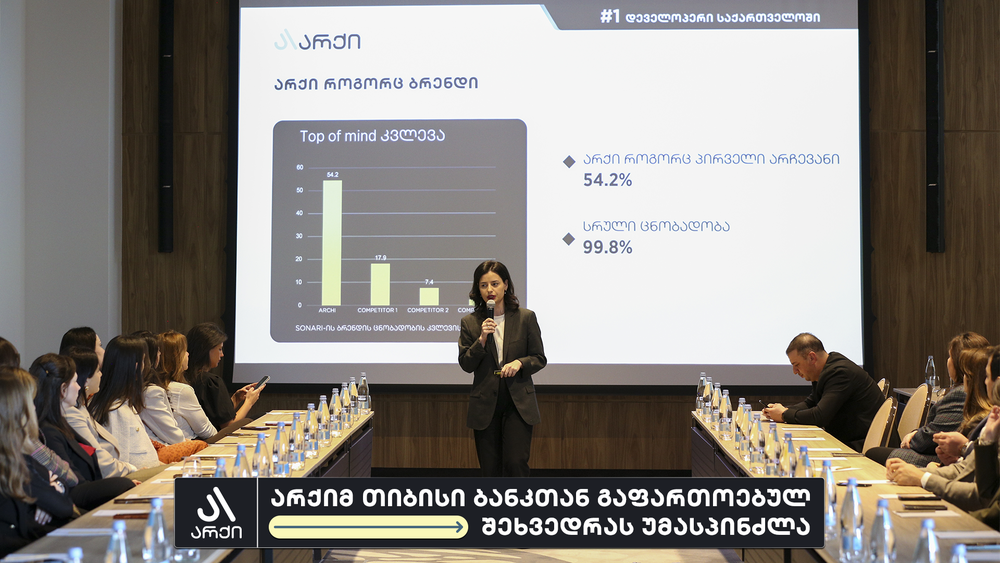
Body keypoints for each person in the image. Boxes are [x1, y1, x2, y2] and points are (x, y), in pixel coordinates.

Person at [886, 346, 1000, 512]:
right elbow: (965, 468)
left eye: (987, 376)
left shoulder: (990, 421)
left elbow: (980, 497)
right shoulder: (993, 418)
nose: (985, 381)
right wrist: (919, 473)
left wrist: (923, 477)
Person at [458, 261, 546, 477]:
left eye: (495, 284)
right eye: (483, 285)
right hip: (485, 403)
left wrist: (520, 363)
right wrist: (481, 340)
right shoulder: (470, 322)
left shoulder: (525, 318)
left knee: (515, 463)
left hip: (517, 403)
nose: (490, 290)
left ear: (506, 285)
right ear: (478, 289)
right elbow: (466, 364)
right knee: (490, 470)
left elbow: (539, 358)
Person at [27, 354, 134, 510]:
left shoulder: (60, 423)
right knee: (126, 485)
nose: (79, 387)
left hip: (88, 494)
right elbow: (72, 485)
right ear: (63, 389)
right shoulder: (48, 431)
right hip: (78, 506)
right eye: (75, 382)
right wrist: (117, 485)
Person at [866, 334, 991, 466]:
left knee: (873, 454)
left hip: (939, 458)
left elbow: (931, 438)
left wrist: (913, 437)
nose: (948, 361)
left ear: (961, 363)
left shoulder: (961, 394)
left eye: (950, 356)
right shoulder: (971, 392)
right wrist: (915, 433)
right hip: (944, 455)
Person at [0, 367, 75, 557]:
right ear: (15, 411)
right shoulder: (15, 458)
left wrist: (50, 491)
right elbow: (64, 506)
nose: (34, 408)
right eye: (28, 403)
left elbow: (62, 485)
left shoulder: (15, 453)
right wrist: (47, 494)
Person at [763, 333, 883, 451]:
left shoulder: (840, 373)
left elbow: (820, 417)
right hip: (846, 439)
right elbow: (810, 403)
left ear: (812, 357)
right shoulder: (826, 369)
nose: (795, 371)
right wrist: (782, 410)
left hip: (859, 446)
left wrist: (784, 415)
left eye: (797, 365)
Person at [60, 347, 139, 478]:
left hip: (117, 471)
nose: (101, 374)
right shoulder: (72, 414)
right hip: (110, 476)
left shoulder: (81, 408)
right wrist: (131, 468)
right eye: (97, 371)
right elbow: (99, 459)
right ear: (86, 379)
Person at [86, 335, 161, 471]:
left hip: (149, 474)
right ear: (136, 366)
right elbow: (120, 460)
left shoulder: (122, 403)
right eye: (143, 361)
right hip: (139, 480)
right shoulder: (115, 410)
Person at [185, 323, 263, 430]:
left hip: (195, 436)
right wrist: (249, 402)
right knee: (261, 417)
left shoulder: (184, 378)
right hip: (214, 438)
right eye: (219, 349)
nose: (222, 354)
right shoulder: (211, 382)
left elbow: (213, 415)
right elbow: (228, 426)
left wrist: (235, 399)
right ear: (206, 350)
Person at [160, 330, 218, 441]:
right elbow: (207, 431)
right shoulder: (181, 390)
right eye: (184, 351)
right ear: (175, 357)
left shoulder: (155, 387)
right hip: (195, 444)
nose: (188, 354)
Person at [134, 331, 185, 444]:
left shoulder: (132, 388)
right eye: (158, 351)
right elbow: (175, 437)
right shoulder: (151, 392)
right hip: (157, 448)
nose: (160, 354)